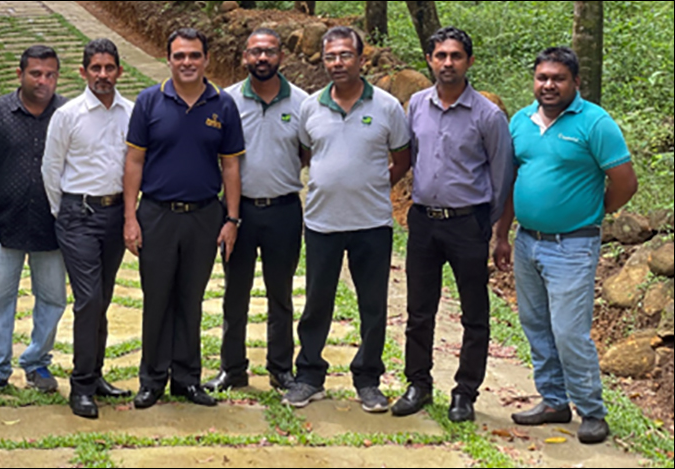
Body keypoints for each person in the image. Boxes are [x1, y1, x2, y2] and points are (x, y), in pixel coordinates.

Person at [505, 47, 637, 445]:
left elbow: (625, 183)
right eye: (542, 77)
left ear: (576, 82)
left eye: (558, 78)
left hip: (572, 246)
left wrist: (590, 214)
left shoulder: (594, 123)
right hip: (527, 242)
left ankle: (591, 411)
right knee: (536, 325)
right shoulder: (520, 121)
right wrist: (502, 234)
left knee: (569, 331)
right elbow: (512, 179)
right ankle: (553, 401)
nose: (548, 85)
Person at [284, 27, 412, 411]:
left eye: (345, 55)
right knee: (316, 303)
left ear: (361, 59)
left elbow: (402, 160)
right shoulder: (310, 106)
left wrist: (371, 183)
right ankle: (308, 376)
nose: (337, 63)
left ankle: (368, 379)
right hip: (322, 222)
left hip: (371, 223)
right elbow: (306, 153)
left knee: (372, 306)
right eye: (330, 57)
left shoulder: (387, 107)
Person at [393, 27, 515, 423]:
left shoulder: (488, 115)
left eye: (456, 56)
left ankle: (465, 392)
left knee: (474, 313)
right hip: (424, 222)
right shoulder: (415, 105)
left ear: (469, 61)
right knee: (419, 310)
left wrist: (495, 231)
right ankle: (418, 384)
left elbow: (502, 178)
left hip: (468, 224)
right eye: (440, 55)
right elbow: (408, 157)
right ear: (429, 60)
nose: (448, 63)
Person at [124, 28, 246, 410]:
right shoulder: (148, 102)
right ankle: (152, 379)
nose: (187, 62)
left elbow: (231, 167)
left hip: (204, 216)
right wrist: (130, 217)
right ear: (169, 60)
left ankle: (187, 379)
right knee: (157, 298)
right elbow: (134, 162)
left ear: (206, 60)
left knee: (191, 300)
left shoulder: (222, 105)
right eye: (179, 56)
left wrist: (232, 219)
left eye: (194, 55)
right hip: (157, 214)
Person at [204, 28, 309, 394]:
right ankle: (232, 369)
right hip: (238, 213)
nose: (262, 58)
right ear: (245, 57)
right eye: (255, 52)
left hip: (283, 210)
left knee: (280, 293)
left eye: (269, 52)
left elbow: (307, 152)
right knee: (236, 293)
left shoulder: (301, 103)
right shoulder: (227, 100)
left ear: (281, 56)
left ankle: (281, 369)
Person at [0, 46, 69, 398]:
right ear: (20, 74)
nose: (43, 81)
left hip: (53, 226)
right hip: (4, 224)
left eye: (50, 74)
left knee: (53, 298)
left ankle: (38, 362)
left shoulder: (68, 113)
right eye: (36, 73)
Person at [42, 38, 135, 420]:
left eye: (109, 67)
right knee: (89, 299)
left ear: (118, 71)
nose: (102, 75)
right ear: (83, 72)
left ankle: (96, 376)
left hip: (115, 214)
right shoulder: (68, 114)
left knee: (104, 298)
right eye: (95, 68)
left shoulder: (131, 112)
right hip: (77, 214)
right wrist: (64, 212)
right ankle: (80, 386)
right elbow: (51, 168)